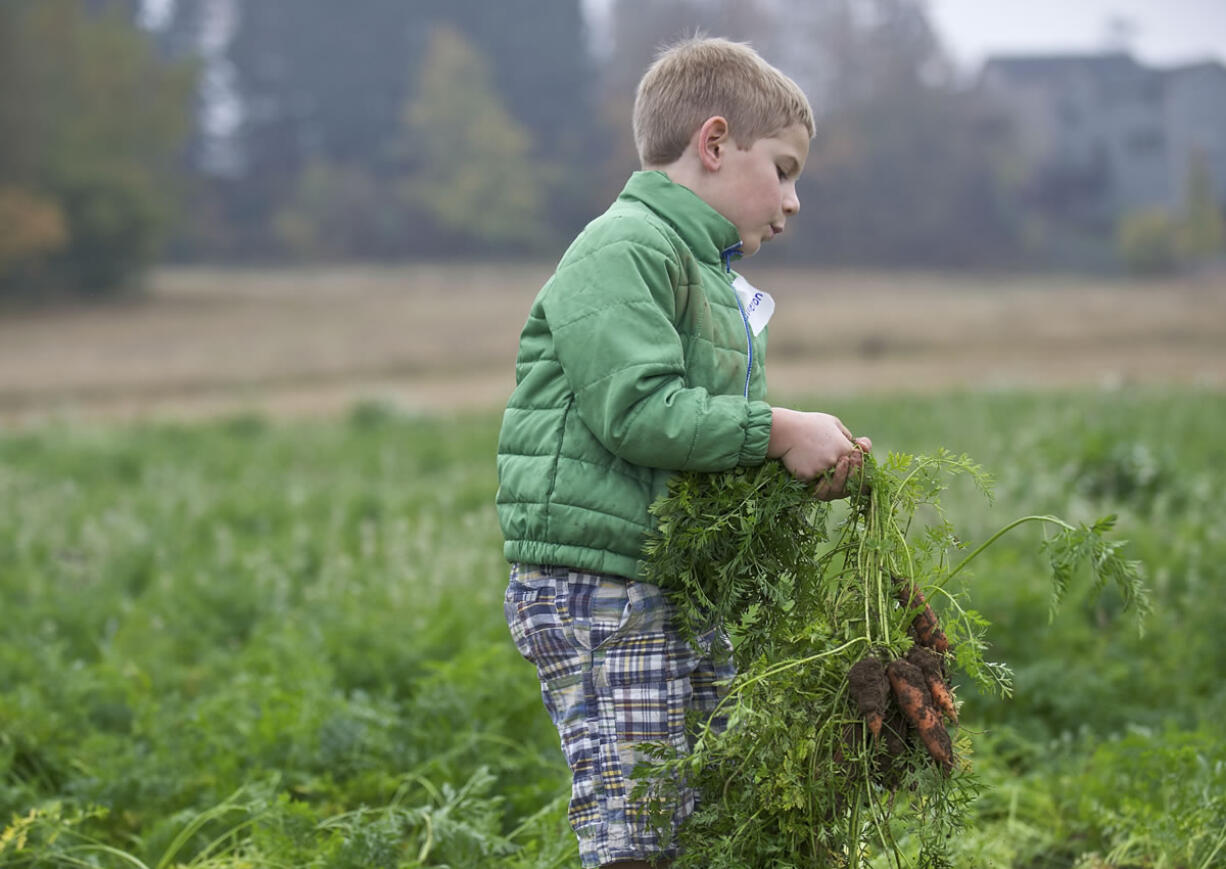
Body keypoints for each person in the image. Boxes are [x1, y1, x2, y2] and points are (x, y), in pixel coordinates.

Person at [496, 36, 871, 868]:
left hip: (660, 578)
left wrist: (792, 468)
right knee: (641, 823)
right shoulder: (623, 249)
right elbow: (640, 412)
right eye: (783, 168)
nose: (795, 199)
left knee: (707, 812)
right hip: (600, 585)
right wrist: (778, 428)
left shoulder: (705, 274)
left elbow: (698, 440)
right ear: (712, 144)